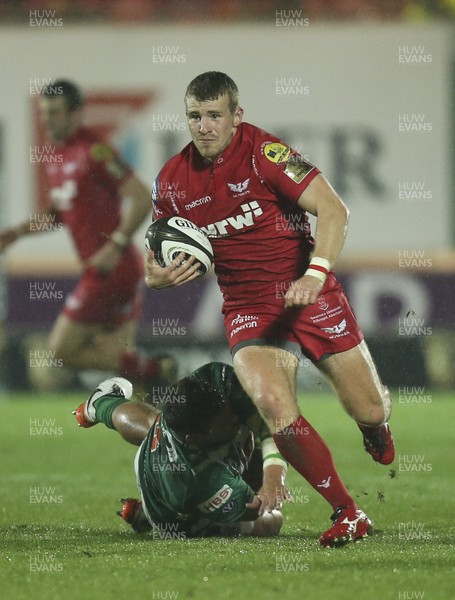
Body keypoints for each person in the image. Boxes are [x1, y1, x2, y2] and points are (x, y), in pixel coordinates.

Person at [144, 71, 395, 547]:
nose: (204, 126)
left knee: (369, 404)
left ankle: (376, 427)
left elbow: (334, 209)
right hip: (247, 307)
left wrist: (315, 274)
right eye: (195, 116)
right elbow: (153, 259)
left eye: (215, 115)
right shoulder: (172, 182)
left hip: (311, 291)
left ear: (237, 116)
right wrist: (155, 277)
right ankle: (348, 511)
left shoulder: (265, 154)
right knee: (274, 403)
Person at [0, 80, 176, 389]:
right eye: (44, 113)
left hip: (112, 268)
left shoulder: (94, 150)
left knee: (59, 350)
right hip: (108, 269)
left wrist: (116, 245)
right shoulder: (58, 156)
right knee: (121, 361)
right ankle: (162, 386)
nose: (47, 120)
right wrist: (16, 233)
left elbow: (139, 196)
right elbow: (57, 213)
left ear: (76, 113)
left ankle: (156, 370)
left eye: (55, 112)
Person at [73, 362, 285, 537]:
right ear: (195, 437)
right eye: (225, 422)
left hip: (158, 454)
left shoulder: (212, 380)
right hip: (179, 521)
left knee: (156, 421)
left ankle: (100, 404)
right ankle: (149, 516)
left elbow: (268, 413)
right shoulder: (202, 481)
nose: (234, 420)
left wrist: (274, 473)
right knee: (270, 523)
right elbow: (255, 509)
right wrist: (271, 483)